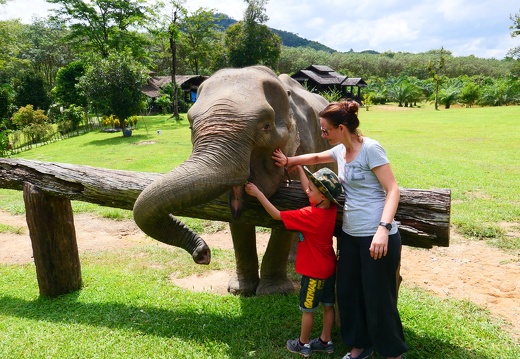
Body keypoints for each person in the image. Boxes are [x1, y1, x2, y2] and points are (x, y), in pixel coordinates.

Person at [272, 99, 408, 359]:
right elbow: (313, 157)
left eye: (325, 130)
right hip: (350, 236)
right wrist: (289, 160)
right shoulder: (339, 152)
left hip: (376, 237)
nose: (323, 135)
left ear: (342, 128)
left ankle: (392, 353)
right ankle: (359, 345)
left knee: (379, 297)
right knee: (348, 293)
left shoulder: (371, 149)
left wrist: (383, 229)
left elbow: (393, 190)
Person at [245, 164, 343, 358]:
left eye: (311, 189)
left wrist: (257, 193)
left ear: (322, 196)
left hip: (314, 273)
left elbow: (276, 214)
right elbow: (313, 193)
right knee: (328, 305)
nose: (307, 190)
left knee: (308, 310)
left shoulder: (309, 215)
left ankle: (303, 344)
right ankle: (326, 341)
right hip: (329, 268)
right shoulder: (329, 208)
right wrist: (300, 169)